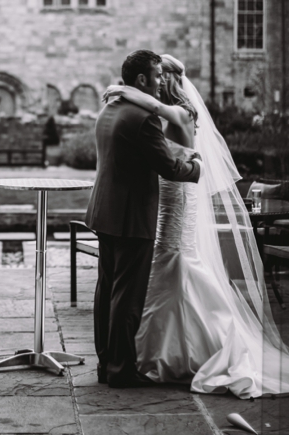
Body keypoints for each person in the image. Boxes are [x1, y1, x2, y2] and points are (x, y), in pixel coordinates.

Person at [102, 53, 289, 398]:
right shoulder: (156, 113)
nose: (156, 82)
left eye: (160, 76)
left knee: (176, 260)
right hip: (169, 194)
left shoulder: (179, 113)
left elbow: (162, 126)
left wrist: (120, 90)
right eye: (153, 77)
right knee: (165, 262)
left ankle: (182, 349)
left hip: (179, 195)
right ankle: (147, 350)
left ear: (168, 80)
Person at [85, 50, 202, 389]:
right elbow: (167, 166)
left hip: (104, 211)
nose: (160, 80)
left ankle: (107, 363)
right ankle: (122, 371)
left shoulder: (110, 108)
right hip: (132, 216)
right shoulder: (144, 117)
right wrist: (196, 168)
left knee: (106, 291)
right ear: (141, 80)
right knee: (128, 297)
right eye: (156, 75)